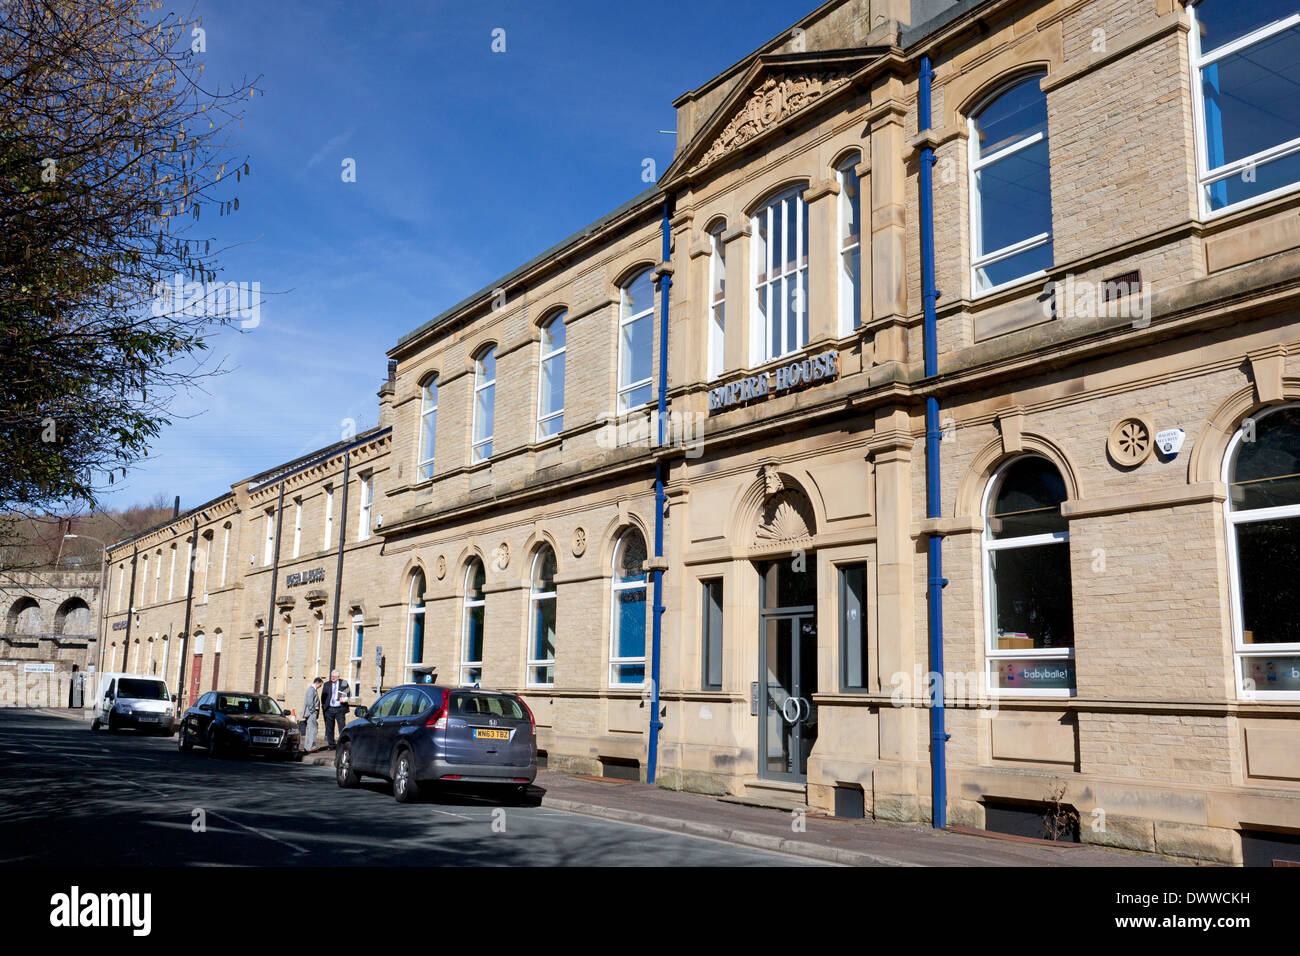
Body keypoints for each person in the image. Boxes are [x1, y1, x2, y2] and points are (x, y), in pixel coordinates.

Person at [321, 669, 351, 749]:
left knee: (341, 727)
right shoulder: (327, 684)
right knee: (329, 728)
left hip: (340, 709)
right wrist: (324, 707)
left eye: (334, 677)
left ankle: (342, 744)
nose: (332, 678)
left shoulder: (344, 683)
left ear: (338, 677)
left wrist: (344, 699)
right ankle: (331, 745)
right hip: (329, 709)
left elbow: (348, 694)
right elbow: (323, 697)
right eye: (331, 676)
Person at [302, 677, 323, 752]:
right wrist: (313, 711)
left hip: (310, 713)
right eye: (320, 685)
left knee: (309, 729)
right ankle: (311, 746)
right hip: (311, 713)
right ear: (317, 683)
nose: (320, 687)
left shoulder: (312, 689)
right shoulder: (311, 690)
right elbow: (310, 702)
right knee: (313, 729)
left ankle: (307, 746)